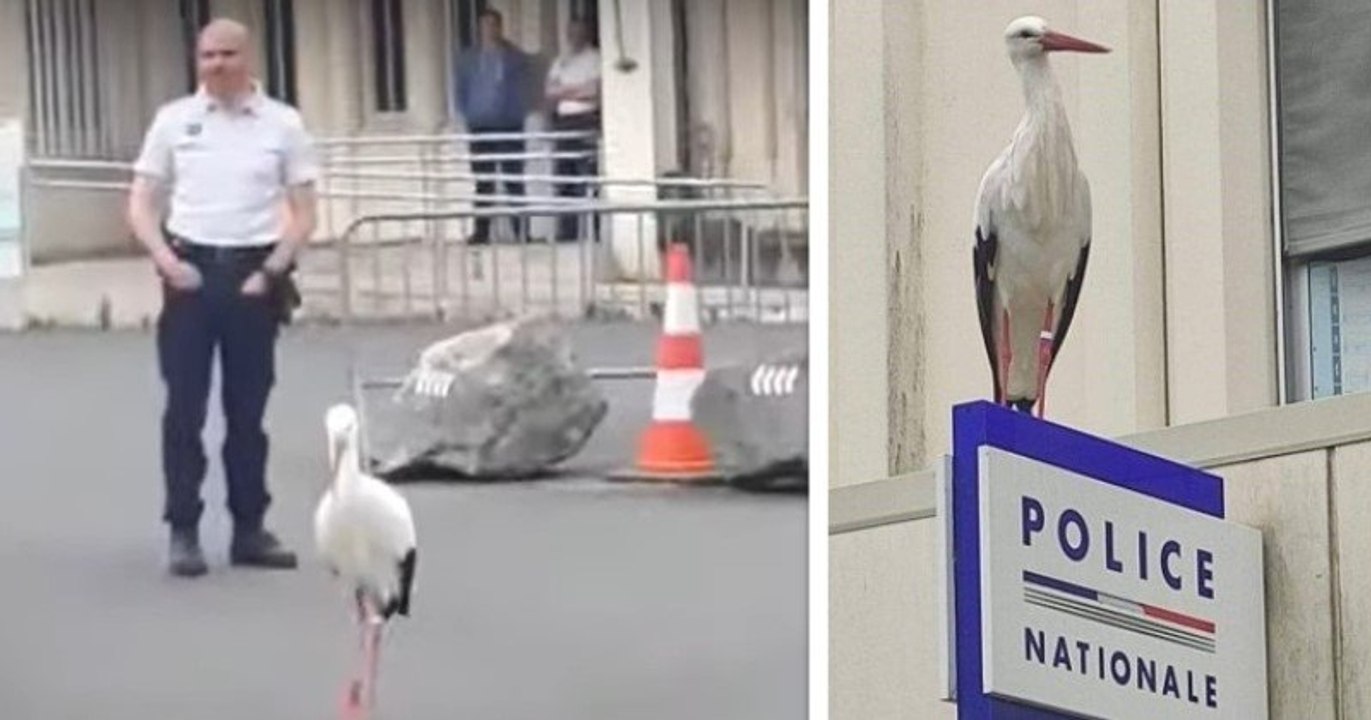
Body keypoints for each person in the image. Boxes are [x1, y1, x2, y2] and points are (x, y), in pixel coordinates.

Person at [125, 18, 316, 577]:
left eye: (227, 54)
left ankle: (249, 529)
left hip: (253, 276)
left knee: (247, 414)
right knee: (183, 412)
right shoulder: (174, 121)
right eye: (207, 55)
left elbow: (305, 212)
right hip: (189, 273)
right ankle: (183, 529)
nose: (216, 65)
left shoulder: (282, 124)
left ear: (248, 58)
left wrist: (273, 271)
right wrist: (165, 260)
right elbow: (141, 202)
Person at [455, 9, 532, 244]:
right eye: (485, 26)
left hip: (509, 125)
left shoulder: (515, 57)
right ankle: (481, 231)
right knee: (483, 181)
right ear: (479, 30)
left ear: (500, 27)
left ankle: (521, 232)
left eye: (493, 25)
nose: (489, 30)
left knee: (514, 180)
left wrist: (519, 113)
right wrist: (468, 114)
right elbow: (460, 90)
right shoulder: (468, 58)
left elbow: (525, 89)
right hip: (480, 126)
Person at [544, 17, 602, 242]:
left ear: (585, 34)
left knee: (587, 178)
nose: (574, 37)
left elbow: (594, 91)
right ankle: (567, 233)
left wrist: (565, 91)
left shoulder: (595, 58)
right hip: (563, 122)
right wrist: (575, 90)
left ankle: (595, 233)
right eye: (571, 32)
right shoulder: (561, 60)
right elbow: (549, 92)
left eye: (579, 32)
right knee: (564, 178)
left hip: (586, 120)